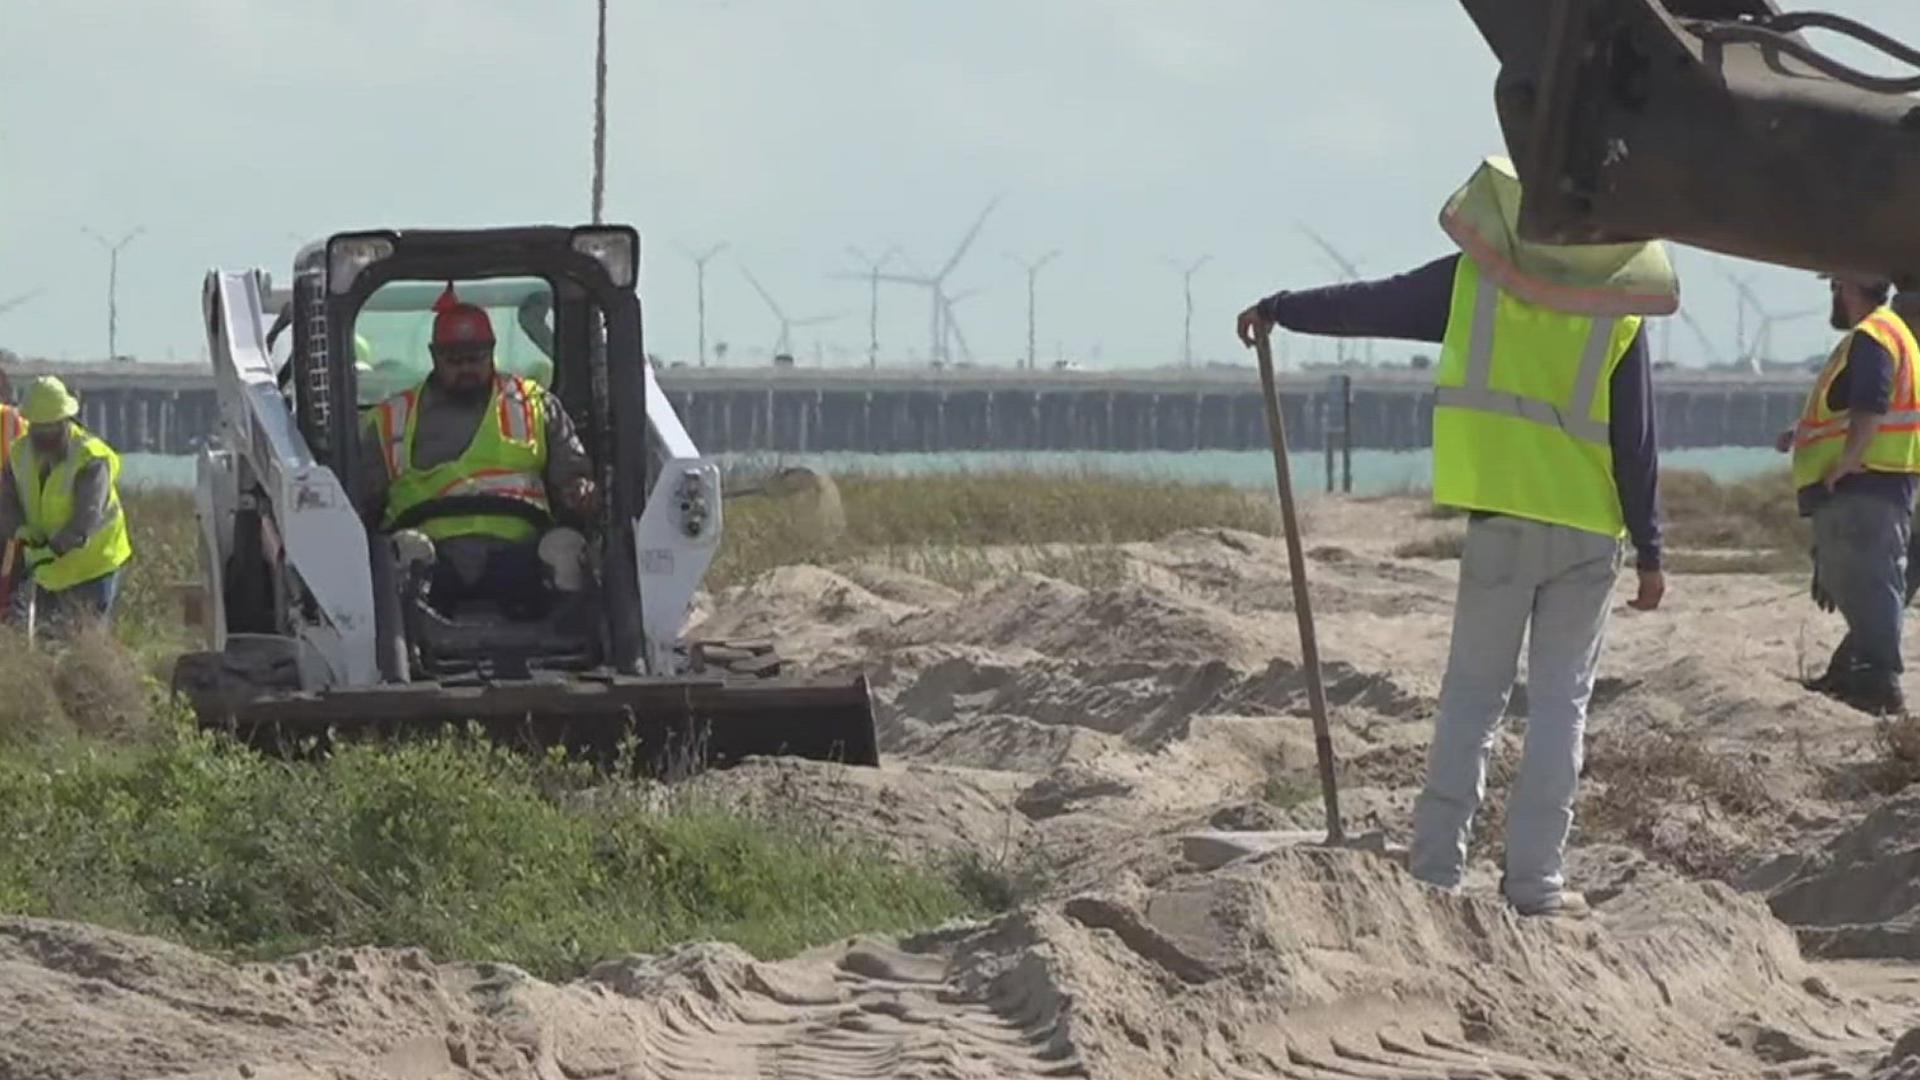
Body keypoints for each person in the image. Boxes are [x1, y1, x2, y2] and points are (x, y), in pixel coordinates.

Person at [1235, 155, 1673, 918]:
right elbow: (1638, 443)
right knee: (1561, 708)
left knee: (1473, 697)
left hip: (1502, 521)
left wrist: (1280, 307)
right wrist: (1653, 551)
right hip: (1585, 531)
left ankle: (1436, 873)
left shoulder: (1472, 281)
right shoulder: (1617, 307)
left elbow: (1367, 305)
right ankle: (1536, 885)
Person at [358, 283, 597, 619]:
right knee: (400, 553)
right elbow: (360, 504)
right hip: (433, 559)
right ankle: (400, 651)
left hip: (519, 555)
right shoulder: (389, 420)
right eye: (454, 360)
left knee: (566, 549)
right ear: (434, 356)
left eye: (476, 358)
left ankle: (581, 649)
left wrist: (580, 492)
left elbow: (573, 475)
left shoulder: (536, 406)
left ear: (492, 352)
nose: (466, 369)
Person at [1776, 273, 1920, 715]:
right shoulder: (1896, 335)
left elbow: (1872, 404)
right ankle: (1854, 671)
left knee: (1873, 583)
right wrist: (1804, 435)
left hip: (1866, 481)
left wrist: (1848, 460)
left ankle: (1878, 679)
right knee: (1864, 580)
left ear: (1850, 286)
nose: (1833, 296)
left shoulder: (1873, 335)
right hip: (1877, 480)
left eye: (1835, 286)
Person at [0, 376, 133, 632]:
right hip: (50, 573)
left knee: (85, 646)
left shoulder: (90, 458)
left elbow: (87, 517)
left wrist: (51, 549)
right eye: (39, 429)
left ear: (65, 422)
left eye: (51, 428)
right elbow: (6, 501)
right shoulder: (19, 454)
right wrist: (19, 530)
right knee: (48, 643)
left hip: (94, 567)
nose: (45, 436)